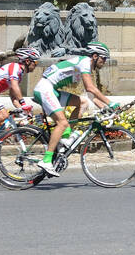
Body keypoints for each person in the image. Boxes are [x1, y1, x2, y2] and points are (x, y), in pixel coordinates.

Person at [33, 41, 116, 177]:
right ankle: (46, 160)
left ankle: (65, 138)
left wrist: (107, 108)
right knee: (62, 122)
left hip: (51, 90)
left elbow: (90, 96)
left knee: (82, 102)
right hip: (45, 89)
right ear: (95, 56)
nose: (105, 62)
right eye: (103, 58)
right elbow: (91, 88)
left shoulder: (85, 65)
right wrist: (110, 102)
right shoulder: (85, 62)